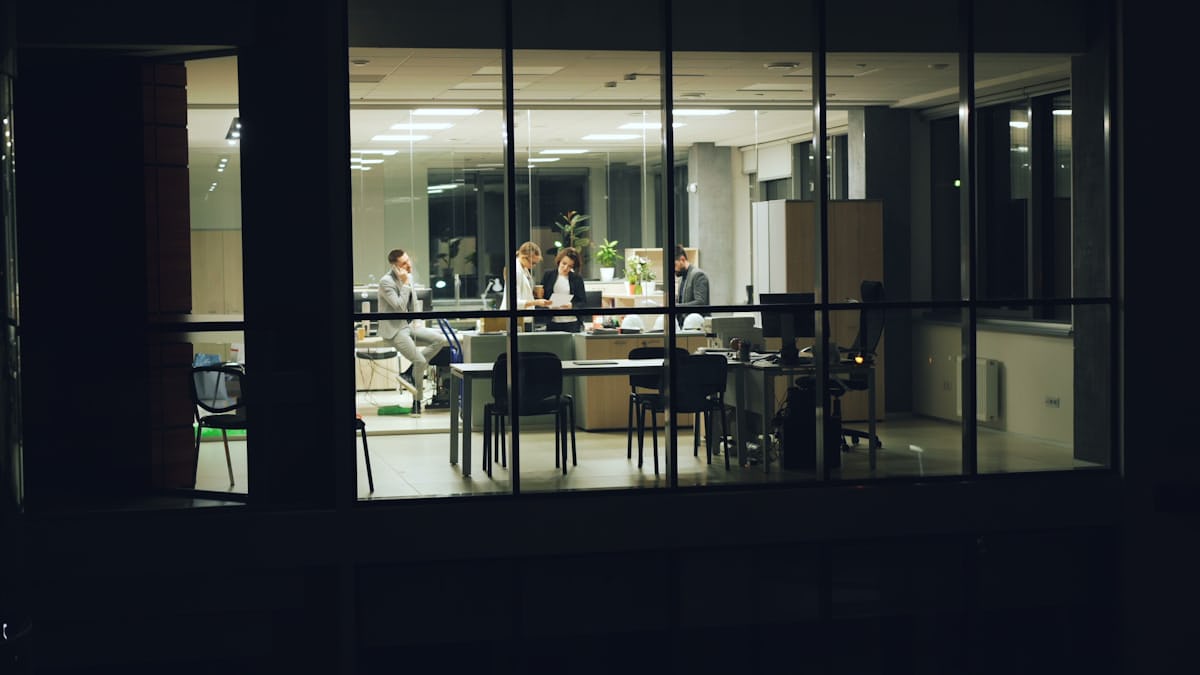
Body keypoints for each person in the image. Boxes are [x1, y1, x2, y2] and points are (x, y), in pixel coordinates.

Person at [377, 248, 448, 416]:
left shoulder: (409, 277)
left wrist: (417, 322)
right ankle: (417, 402)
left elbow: (414, 302)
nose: (409, 265)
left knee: (439, 340)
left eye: (408, 260)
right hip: (394, 330)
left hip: (408, 326)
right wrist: (405, 284)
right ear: (395, 266)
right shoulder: (386, 282)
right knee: (420, 361)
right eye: (404, 263)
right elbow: (399, 307)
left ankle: (408, 373)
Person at [537, 246, 588, 333]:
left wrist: (571, 305)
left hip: (572, 322)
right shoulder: (548, 275)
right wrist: (547, 304)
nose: (565, 268)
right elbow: (542, 297)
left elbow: (583, 301)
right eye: (564, 263)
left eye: (570, 266)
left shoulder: (577, 278)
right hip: (553, 321)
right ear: (559, 261)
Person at [499, 241, 552, 310]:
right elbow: (514, 302)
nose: (534, 266)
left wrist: (533, 292)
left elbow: (523, 293)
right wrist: (536, 302)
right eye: (533, 263)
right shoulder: (516, 271)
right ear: (523, 257)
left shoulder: (524, 269)